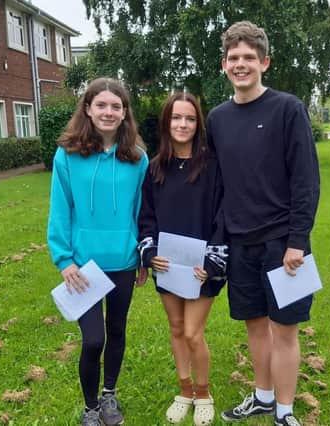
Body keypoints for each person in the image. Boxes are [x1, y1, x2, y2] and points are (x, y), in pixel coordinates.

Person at [206, 21, 320, 426]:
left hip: (282, 243)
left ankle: (285, 411)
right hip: (240, 244)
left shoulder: (288, 109)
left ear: (264, 62)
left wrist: (298, 240)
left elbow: (306, 180)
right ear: (224, 65)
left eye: (248, 58)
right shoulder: (217, 119)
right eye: (234, 58)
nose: (241, 65)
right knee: (255, 325)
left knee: (285, 329)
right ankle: (263, 396)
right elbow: (216, 185)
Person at [47, 77, 149, 426]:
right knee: (93, 340)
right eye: (101, 105)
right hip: (83, 267)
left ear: (124, 114)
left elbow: (142, 212)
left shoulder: (138, 158)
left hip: (123, 260)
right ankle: (90, 407)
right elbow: (60, 209)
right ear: (88, 109)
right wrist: (64, 259)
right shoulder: (68, 155)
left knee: (117, 331)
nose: (109, 112)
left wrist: (143, 257)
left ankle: (109, 398)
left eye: (116, 106)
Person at [138, 92, 228, 426]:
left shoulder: (212, 166)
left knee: (193, 332)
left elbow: (223, 214)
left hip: (203, 268)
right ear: (166, 122)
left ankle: (204, 394)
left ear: (198, 124)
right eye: (176, 118)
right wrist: (150, 252)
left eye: (190, 118)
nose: (182, 124)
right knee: (176, 328)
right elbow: (146, 216)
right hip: (167, 266)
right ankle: (185, 391)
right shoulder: (155, 167)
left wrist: (214, 260)